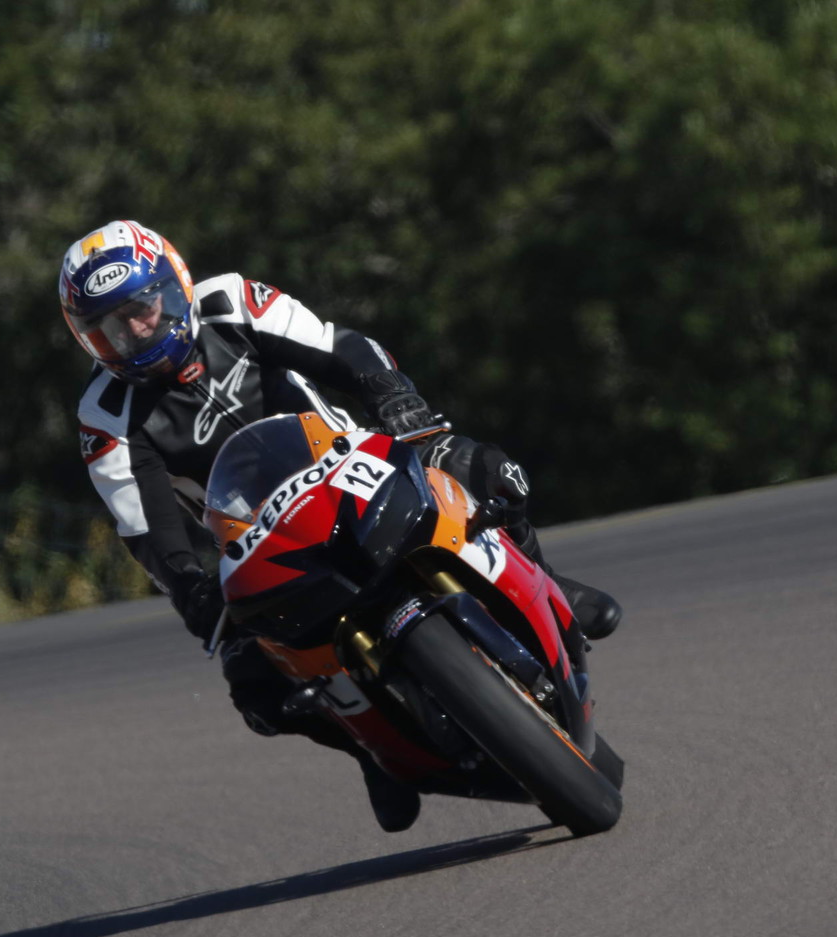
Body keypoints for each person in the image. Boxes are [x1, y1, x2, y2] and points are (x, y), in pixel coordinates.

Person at [61, 220, 621, 832]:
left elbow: (342, 348)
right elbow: (146, 527)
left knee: (483, 469)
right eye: (110, 328)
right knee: (256, 687)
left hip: (352, 463)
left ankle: (547, 580)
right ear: (88, 339)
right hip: (261, 538)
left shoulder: (231, 302)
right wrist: (191, 587)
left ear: (177, 285)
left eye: (141, 310)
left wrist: (397, 401)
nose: (135, 333)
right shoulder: (104, 415)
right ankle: (368, 750)